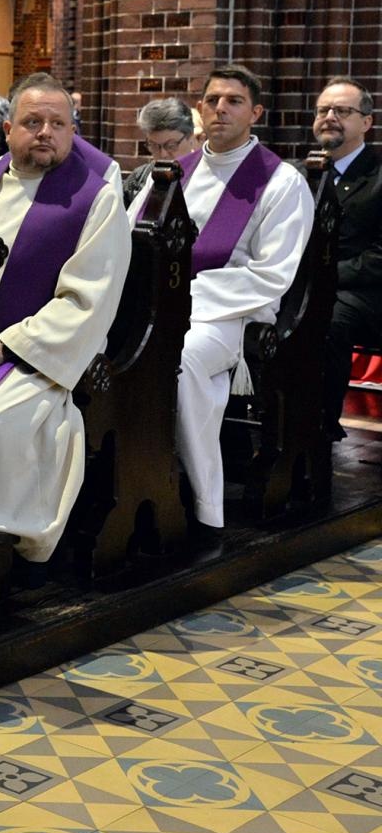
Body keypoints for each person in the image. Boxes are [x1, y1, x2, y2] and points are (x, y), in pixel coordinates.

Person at [146, 66, 314, 537]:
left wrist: (183, 298)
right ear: (199, 109)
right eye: (212, 100)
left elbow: (272, 273)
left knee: (182, 359)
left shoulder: (281, 182)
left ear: (255, 112)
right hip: (159, 305)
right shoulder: (172, 174)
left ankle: (200, 498)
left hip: (230, 316)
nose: (221, 109)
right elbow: (132, 237)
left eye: (234, 101)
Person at [0, 79, 132, 574]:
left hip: (33, 354)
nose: (45, 132)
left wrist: (7, 345)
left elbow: (87, 299)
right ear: (7, 130)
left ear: (72, 131)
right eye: (32, 122)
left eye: (58, 124)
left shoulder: (96, 200)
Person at [308, 77, 381, 440]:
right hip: (305, 281)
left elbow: (378, 258)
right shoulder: (300, 174)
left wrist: (324, 276)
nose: (329, 117)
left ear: (366, 122)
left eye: (342, 111)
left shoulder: (378, 176)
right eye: (323, 110)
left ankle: (319, 427)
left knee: (326, 318)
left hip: (363, 292)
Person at [124, 97, 200, 207]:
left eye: (171, 145)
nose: (163, 154)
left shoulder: (204, 176)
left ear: (191, 138)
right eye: (154, 146)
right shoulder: (138, 180)